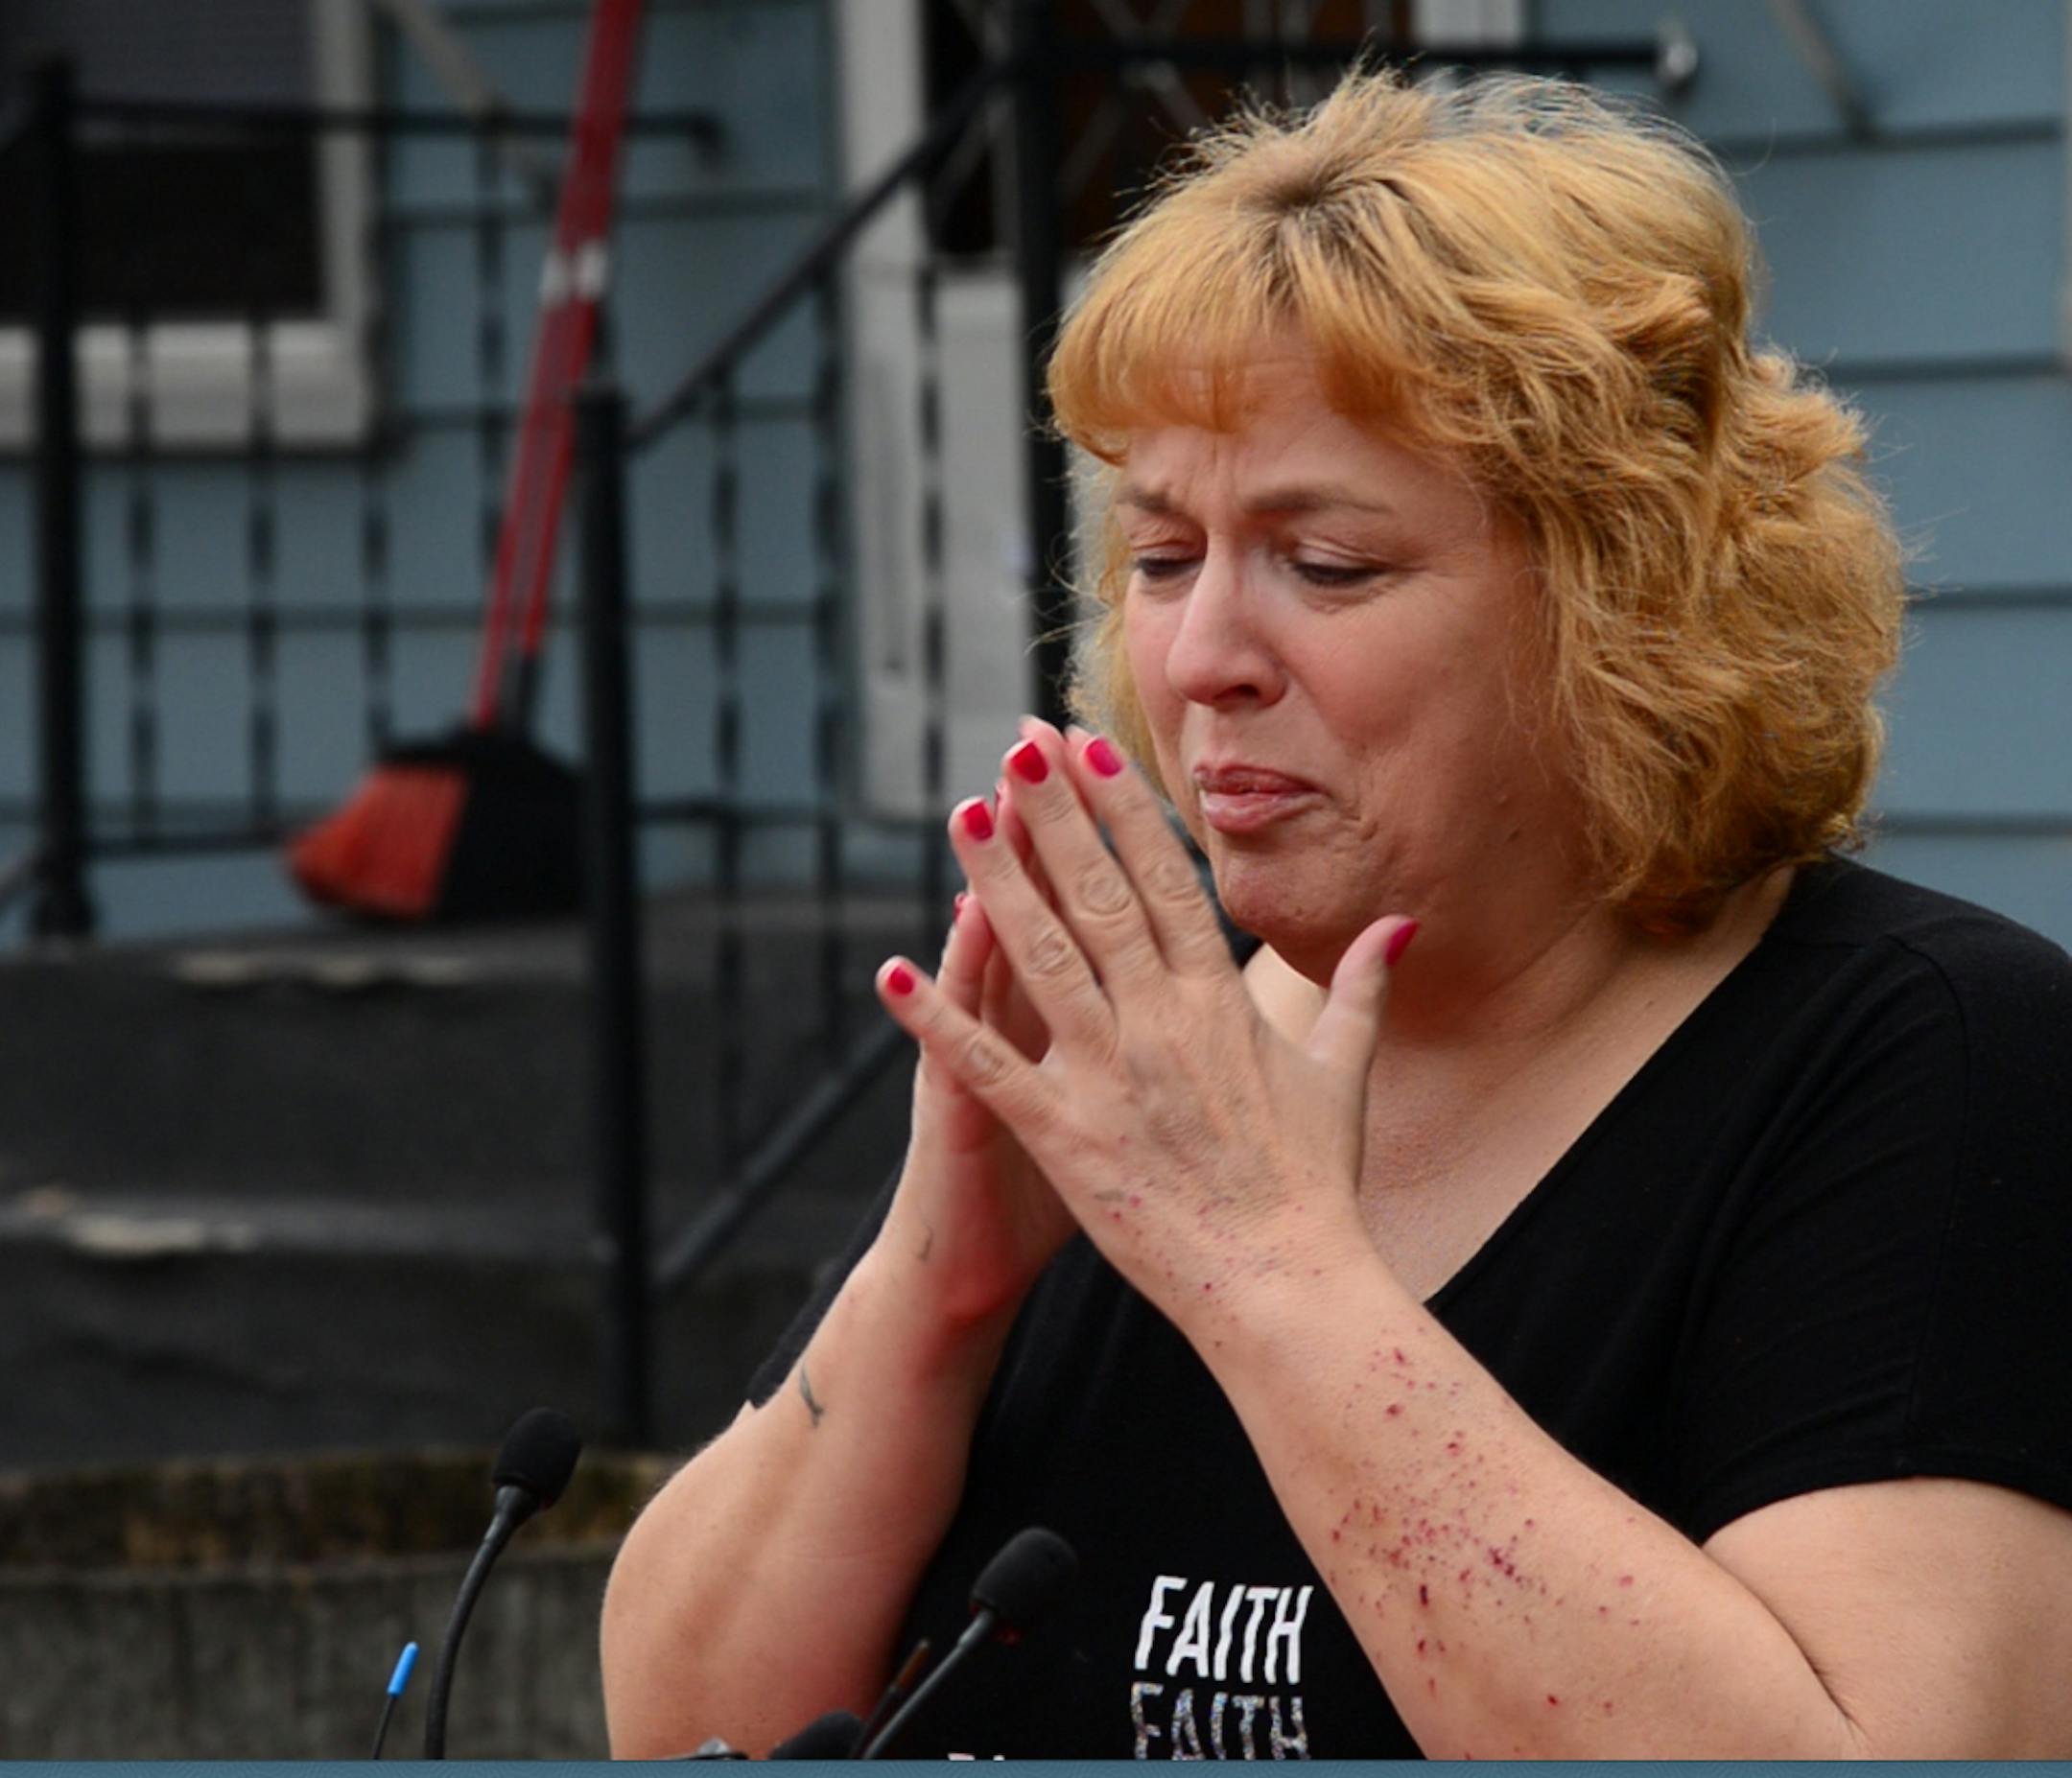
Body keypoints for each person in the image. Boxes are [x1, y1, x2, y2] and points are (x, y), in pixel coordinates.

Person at [600, 68, 2072, 1758]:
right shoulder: (1145, 1046)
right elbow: (679, 1726)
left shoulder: (1927, 1055)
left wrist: (1259, 1263)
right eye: (1162, 558)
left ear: (1625, 607)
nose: (1205, 657)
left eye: (1329, 564)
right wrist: (941, 1278)